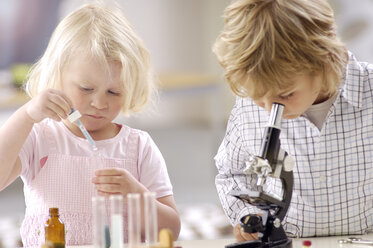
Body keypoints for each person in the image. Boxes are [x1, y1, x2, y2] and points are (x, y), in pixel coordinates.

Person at [0, 3, 180, 247]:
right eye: (86, 88)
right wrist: (27, 115)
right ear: (57, 76)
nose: (99, 103)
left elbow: (171, 230)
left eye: (114, 92)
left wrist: (137, 195)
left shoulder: (138, 146)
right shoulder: (39, 138)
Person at [213, 0, 373, 242]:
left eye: (286, 94)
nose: (270, 108)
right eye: (258, 97)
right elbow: (232, 173)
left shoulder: (369, 91)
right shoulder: (246, 107)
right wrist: (248, 216)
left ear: (326, 62)